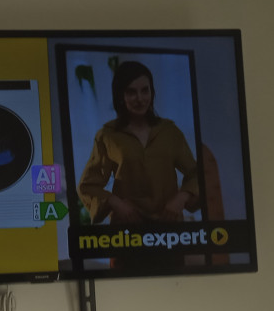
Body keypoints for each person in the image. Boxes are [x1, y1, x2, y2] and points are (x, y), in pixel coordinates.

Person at [77, 61, 199, 224]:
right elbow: (88, 185)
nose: (140, 99)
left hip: (169, 226)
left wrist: (182, 197)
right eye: (131, 92)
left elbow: (197, 174)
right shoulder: (108, 136)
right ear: (120, 96)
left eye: (145, 90)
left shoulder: (170, 131)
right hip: (127, 227)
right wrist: (116, 203)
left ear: (152, 92)